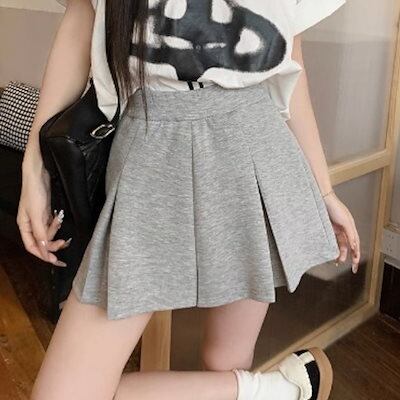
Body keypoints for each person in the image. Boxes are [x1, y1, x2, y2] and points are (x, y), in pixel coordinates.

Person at [17, 0, 360, 399]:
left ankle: (272, 390)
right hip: (149, 150)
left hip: (250, 145)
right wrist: (34, 166)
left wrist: (324, 189)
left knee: (225, 361)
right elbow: (81, 22)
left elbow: (288, 53)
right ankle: (280, 390)